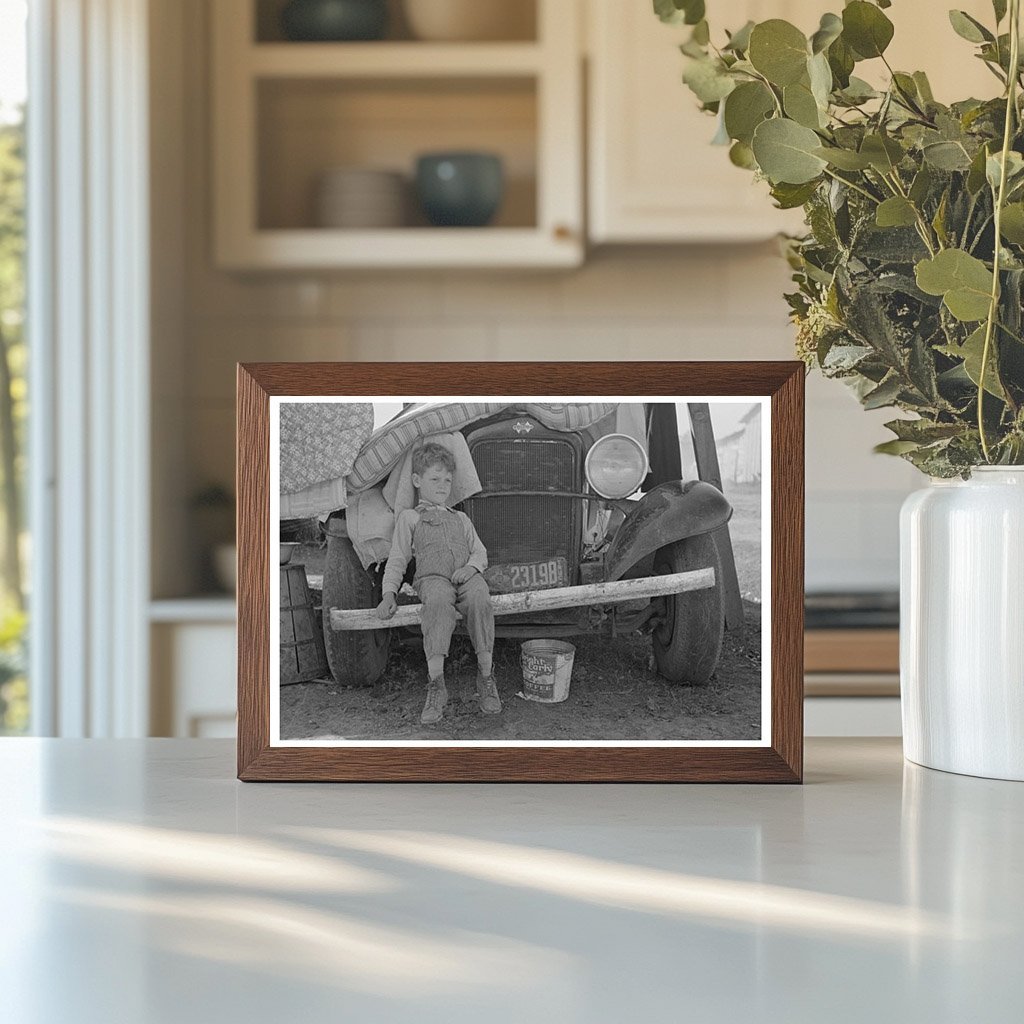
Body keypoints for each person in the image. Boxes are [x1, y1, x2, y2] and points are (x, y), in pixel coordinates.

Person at [376, 442, 500, 725]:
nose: (443, 486)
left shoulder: (462, 518)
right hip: (432, 579)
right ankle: (436, 686)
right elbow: (397, 558)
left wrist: (471, 568)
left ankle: (486, 678)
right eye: (435, 479)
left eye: (447, 480)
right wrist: (388, 594)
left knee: (481, 597)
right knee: (438, 603)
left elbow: (479, 553)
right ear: (417, 481)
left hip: (467, 577)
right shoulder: (410, 517)